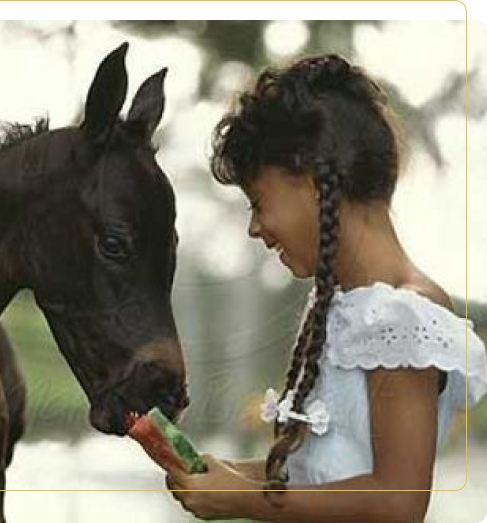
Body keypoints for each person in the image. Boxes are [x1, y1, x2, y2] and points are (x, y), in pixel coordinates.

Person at [164, 54, 487, 522]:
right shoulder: (341, 307)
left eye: (258, 203)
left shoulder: (403, 315)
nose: (254, 227)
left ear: (312, 179)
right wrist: (232, 475)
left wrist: (242, 501)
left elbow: (399, 503)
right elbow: (321, 475)